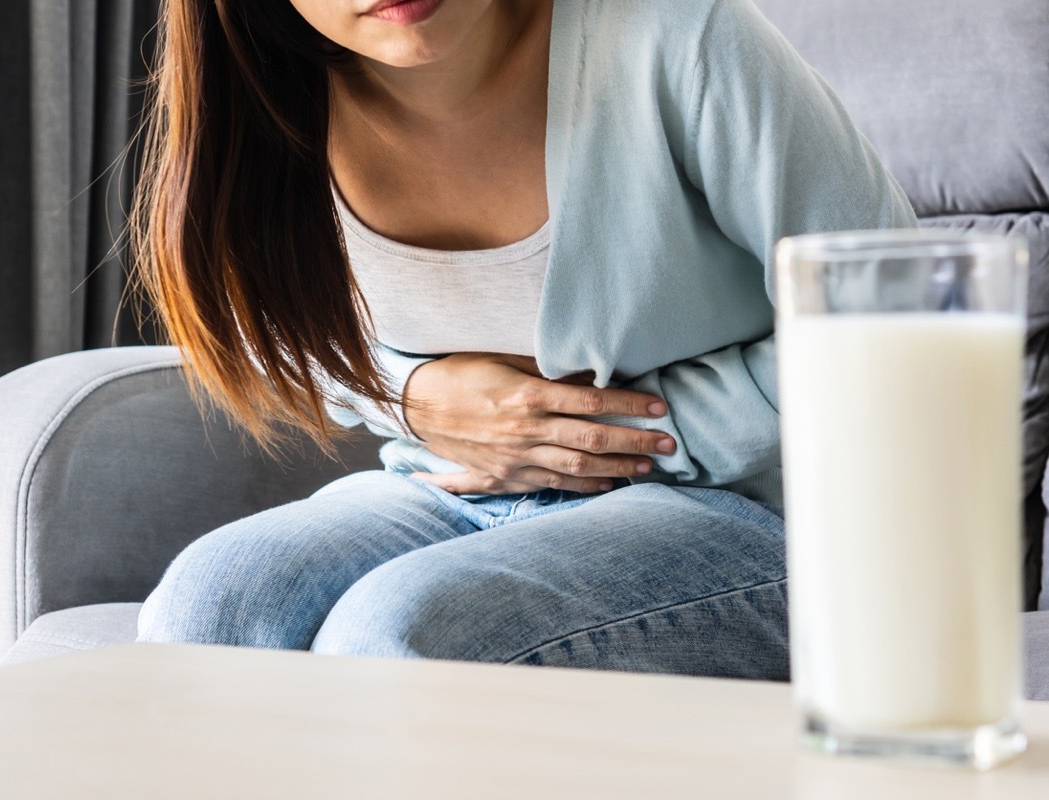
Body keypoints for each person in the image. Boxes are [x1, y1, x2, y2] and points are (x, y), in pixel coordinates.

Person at [132, 0, 915, 678]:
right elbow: (262, 321)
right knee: (208, 607)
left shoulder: (675, 34)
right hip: (450, 490)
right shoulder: (268, 89)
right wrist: (411, 399)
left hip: (756, 515)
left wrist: (612, 435)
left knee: (399, 633)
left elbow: (896, 310)